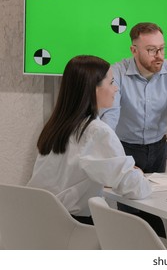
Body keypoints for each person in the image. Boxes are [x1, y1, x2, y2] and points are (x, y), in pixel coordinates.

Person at [99, 22, 167, 237]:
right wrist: (114, 159)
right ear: (134, 50)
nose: (159, 55)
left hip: (157, 150)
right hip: (126, 150)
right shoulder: (116, 72)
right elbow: (111, 116)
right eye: (151, 50)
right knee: (129, 215)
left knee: (153, 208)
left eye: (162, 48)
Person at [27, 55, 152, 225]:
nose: (116, 89)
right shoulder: (96, 131)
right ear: (95, 89)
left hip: (39, 225)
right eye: (111, 82)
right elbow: (135, 188)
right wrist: (137, 173)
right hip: (74, 230)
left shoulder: (56, 127)